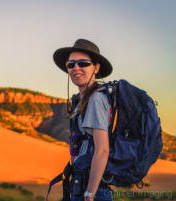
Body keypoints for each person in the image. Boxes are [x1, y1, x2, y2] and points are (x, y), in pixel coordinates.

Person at [53, 39, 114, 201]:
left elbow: (102, 150)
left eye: (83, 63)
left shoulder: (95, 99)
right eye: (71, 64)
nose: (76, 68)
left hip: (93, 192)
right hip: (82, 187)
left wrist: (90, 194)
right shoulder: (81, 100)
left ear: (96, 67)